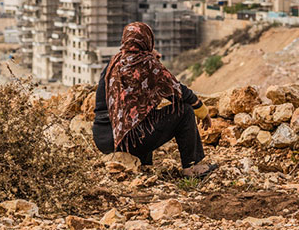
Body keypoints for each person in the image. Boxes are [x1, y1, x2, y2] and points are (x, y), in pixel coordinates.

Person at [92, 22, 217, 178]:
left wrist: (151, 58)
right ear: (147, 40)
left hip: (103, 139)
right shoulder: (146, 63)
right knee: (184, 111)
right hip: (128, 142)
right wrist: (201, 109)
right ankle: (191, 167)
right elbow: (177, 91)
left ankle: (144, 166)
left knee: (141, 115)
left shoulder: (113, 63)